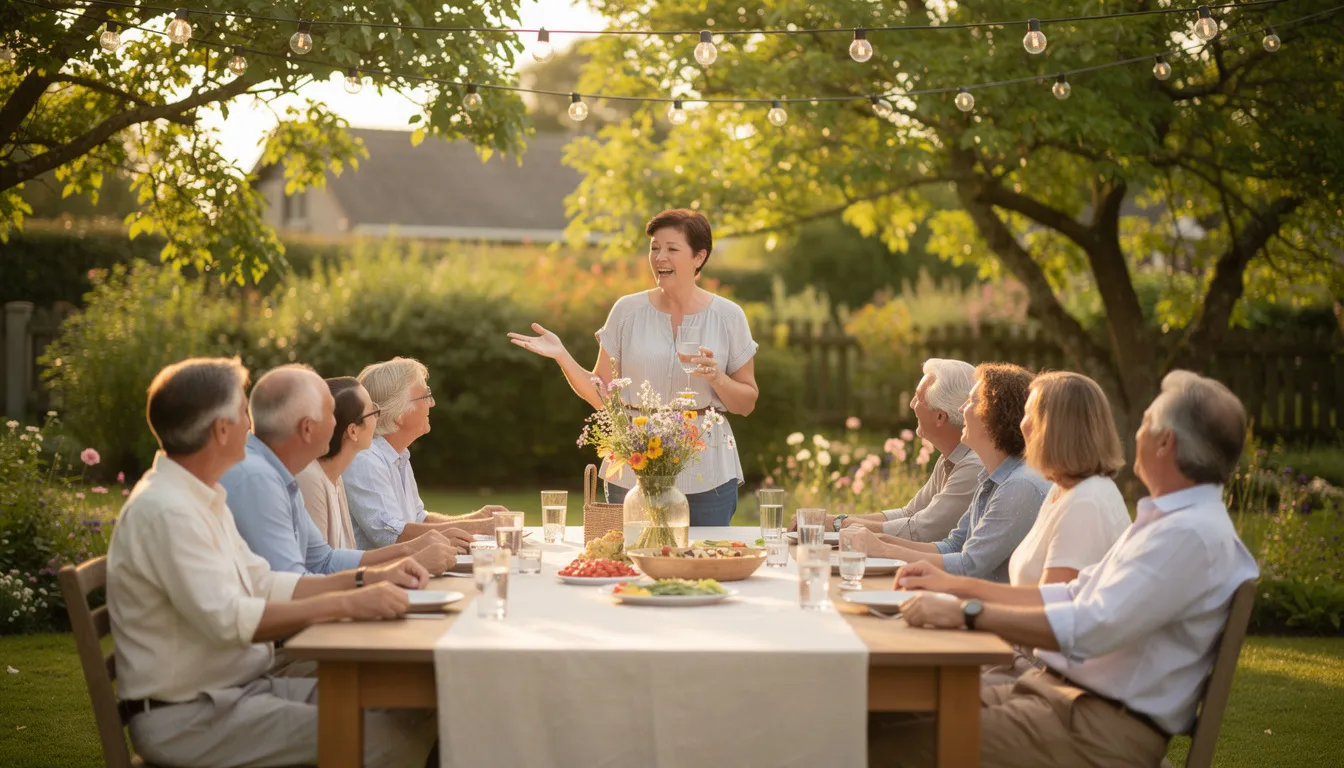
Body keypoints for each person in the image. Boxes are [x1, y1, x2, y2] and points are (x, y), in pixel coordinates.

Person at [882, 370, 1260, 768]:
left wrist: (965, 613)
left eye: (1146, 422)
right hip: (1062, 701)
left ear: (1166, 443)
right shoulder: (1175, 522)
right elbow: (1070, 595)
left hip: (1093, 727)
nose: (1136, 432)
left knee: (890, 743)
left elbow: (1087, 627)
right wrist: (959, 590)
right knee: (891, 710)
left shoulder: (1188, 535)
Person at [106, 357, 437, 767]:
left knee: (416, 706)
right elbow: (232, 620)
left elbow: (267, 582)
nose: (254, 425)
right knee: (388, 740)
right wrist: (351, 601)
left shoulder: (200, 497)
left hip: (236, 689)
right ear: (221, 430)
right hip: (193, 715)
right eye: (244, 411)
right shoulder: (168, 510)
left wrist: (366, 580)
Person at [508, 208, 760, 525]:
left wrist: (718, 378)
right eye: (654, 248)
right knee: (632, 562)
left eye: (672, 248)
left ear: (699, 257)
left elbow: (747, 403)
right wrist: (562, 355)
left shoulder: (728, 316)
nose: (659, 257)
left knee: (703, 561)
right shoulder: (627, 311)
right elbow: (603, 394)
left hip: (707, 471)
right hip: (633, 468)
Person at [220, 364, 462, 577]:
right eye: (329, 414)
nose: (338, 423)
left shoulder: (284, 474)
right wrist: (402, 565)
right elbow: (295, 582)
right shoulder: (264, 479)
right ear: (308, 428)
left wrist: (409, 552)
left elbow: (324, 559)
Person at [847, 363, 1049, 583]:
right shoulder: (992, 477)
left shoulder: (1019, 485)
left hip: (986, 608)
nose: (961, 410)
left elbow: (969, 565)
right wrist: (878, 540)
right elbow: (952, 545)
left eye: (971, 401)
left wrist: (884, 549)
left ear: (993, 416)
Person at [344, 356, 507, 549]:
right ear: (399, 414)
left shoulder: (399, 455)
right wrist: (481, 527)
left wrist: (476, 518)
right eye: (425, 395)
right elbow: (393, 535)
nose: (432, 403)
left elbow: (419, 520)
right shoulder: (365, 460)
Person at [822, 358, 982, 541]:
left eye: (919, 398)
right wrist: (839, 520)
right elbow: (911, 512)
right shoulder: (952, 456)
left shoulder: (972, 465)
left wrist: (839, 524)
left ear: (940, 416)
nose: (912, 404)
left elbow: (920, 531)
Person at [297, 377, 379, 550]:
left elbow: (346, 556)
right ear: (353, 431)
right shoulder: (309, 479)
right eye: (372, 411)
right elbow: (319, 565)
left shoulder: (335, 477)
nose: (377, 417)